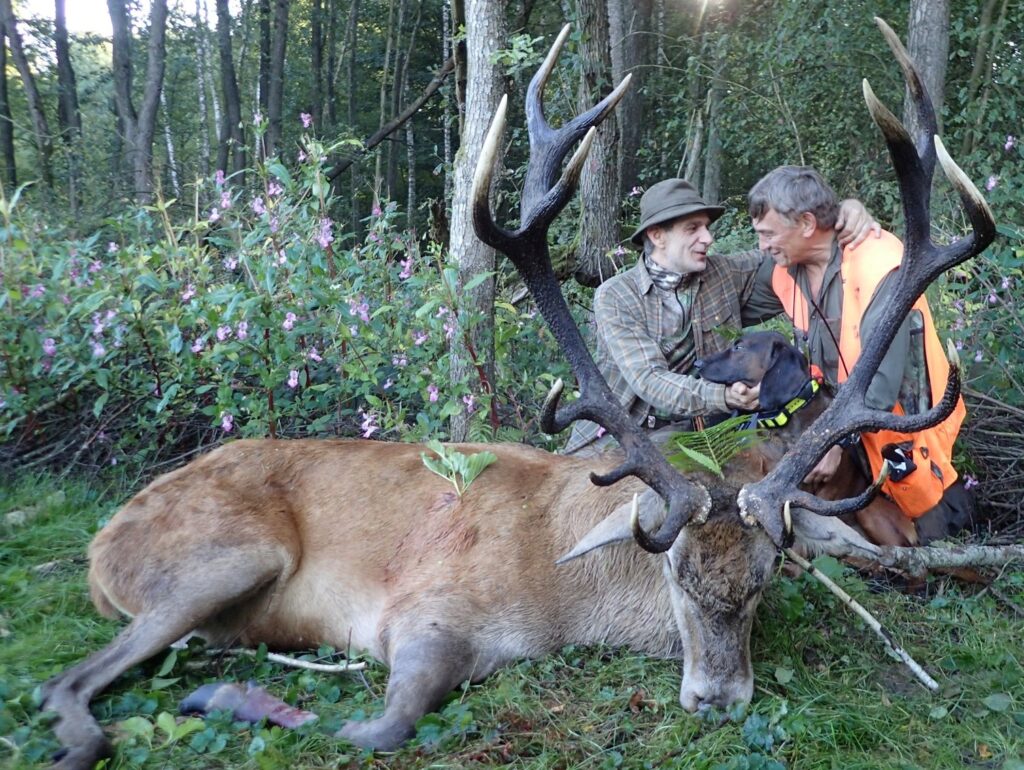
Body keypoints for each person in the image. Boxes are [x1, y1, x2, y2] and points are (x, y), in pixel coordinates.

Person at [563, 178, 877, 455]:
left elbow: (789, 244)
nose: (707, 238)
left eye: (706, 227)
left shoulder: (723, 272)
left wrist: (842, 213)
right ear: (657, 236)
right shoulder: (616, 296)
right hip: (625, 435)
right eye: (692, 229)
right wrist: (725, 396)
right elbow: (649, 380)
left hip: (709, 432)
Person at [748, 165, 971, 542]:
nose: (762, 246)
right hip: (848, 434)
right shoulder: (788, 269)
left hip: (905, 441)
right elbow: (720, 284)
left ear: (805, 223)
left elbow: (879, 389)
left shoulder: (878, 266)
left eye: (768, 234)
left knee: (927, 548)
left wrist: (831, 444)